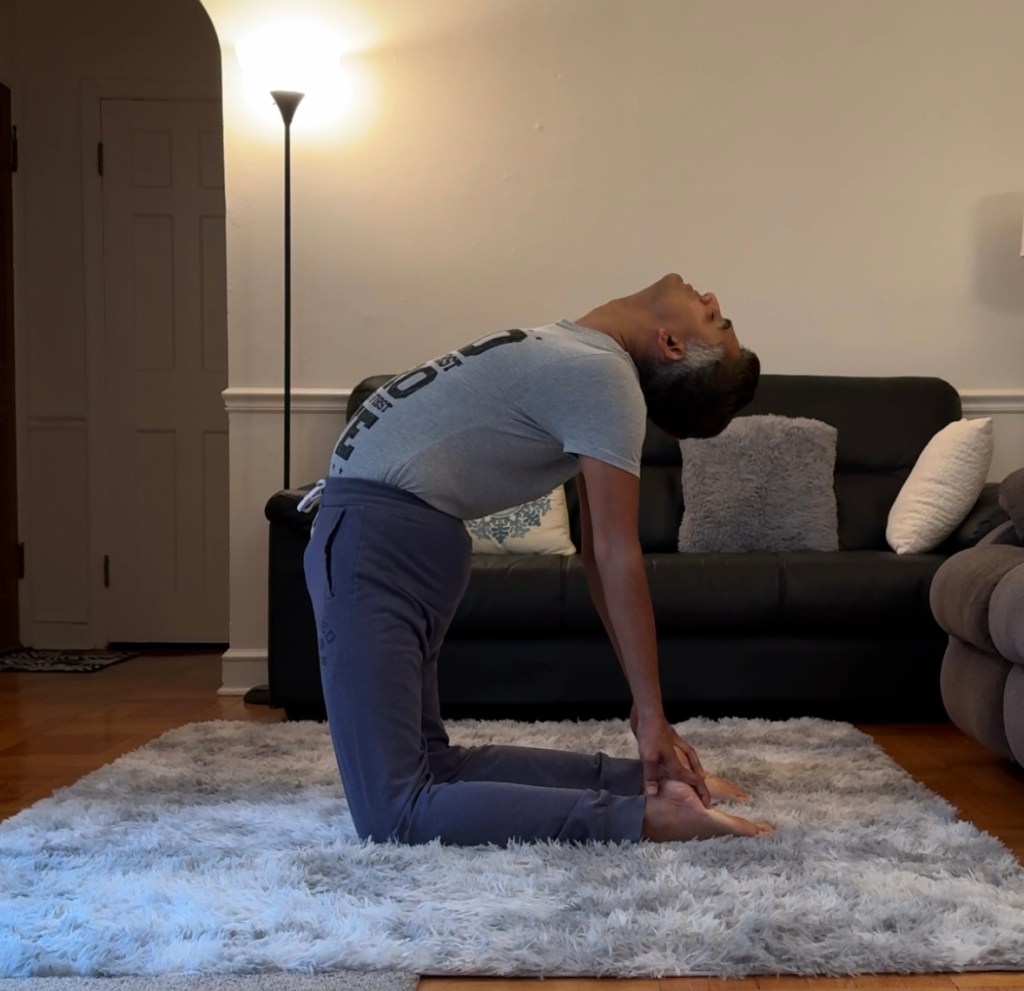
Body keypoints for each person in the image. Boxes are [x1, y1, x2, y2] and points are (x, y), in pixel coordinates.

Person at [302, 273, 771, 846]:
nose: (711, 300)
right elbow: (600, 558)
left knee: (393, 813)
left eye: (714, 321)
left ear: (670, 343)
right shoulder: (588, 358)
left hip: (381, 543)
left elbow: (613, 553)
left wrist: (650, 713)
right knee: (431, 769)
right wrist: (647, 716)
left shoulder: (602, 376)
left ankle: (646, 818)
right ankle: (639, 788)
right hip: (398, 539)